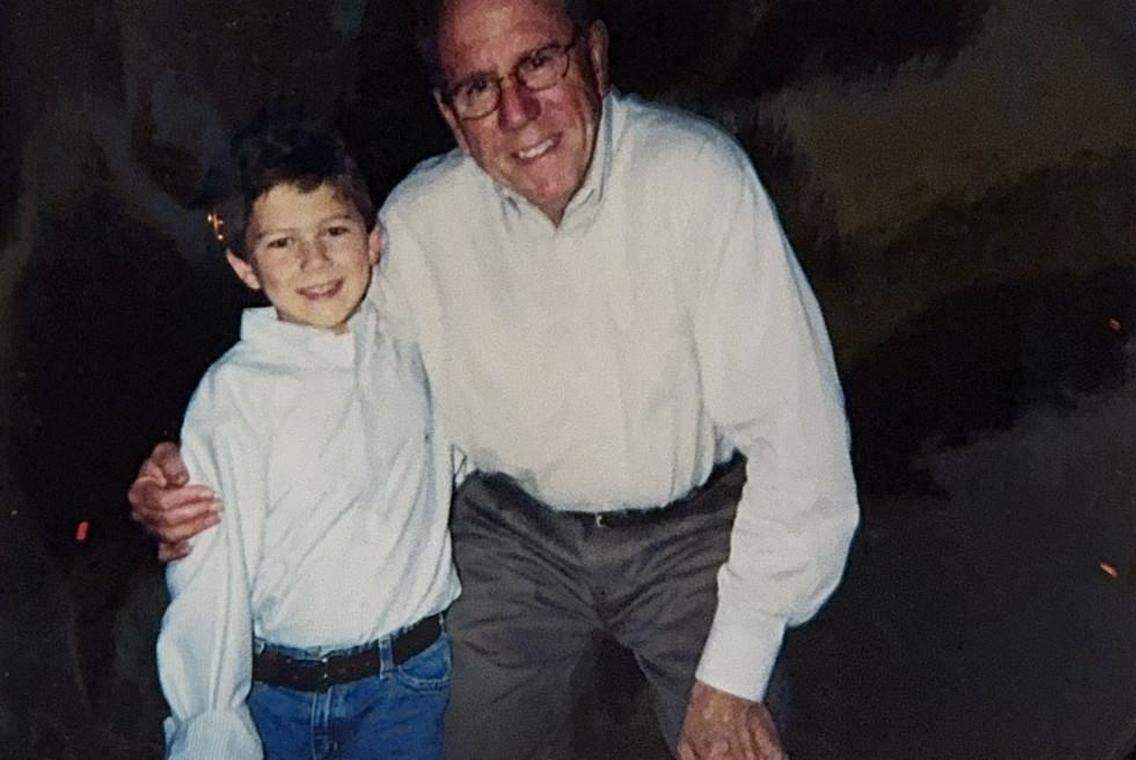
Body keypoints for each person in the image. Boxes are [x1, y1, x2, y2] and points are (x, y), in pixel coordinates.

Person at [132, 0, 860, 757]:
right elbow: (332, 368)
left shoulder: (696, 180)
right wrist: (193, 467)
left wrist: (735, 671)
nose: (517, 113)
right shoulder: (421, 224)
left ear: (595, 58)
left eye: (538, 63)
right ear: (451, 116)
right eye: (479, 88)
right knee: (461, 737)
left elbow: (800, 443)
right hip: (513, 541)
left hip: (689, 538)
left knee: (737, 743)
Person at [154, 117, 459, 759]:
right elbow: (210, 575)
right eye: (282, 243)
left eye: (334, 232)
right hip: (275, 697)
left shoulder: (411, 347)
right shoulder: (235, 394)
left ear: (374, 241)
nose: (314, 261)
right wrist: (211, 721)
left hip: (404, 687)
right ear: (244, 267)